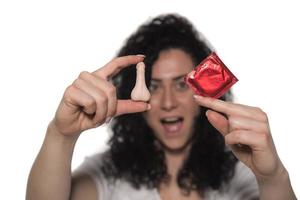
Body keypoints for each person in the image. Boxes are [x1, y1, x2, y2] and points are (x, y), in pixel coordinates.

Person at [26, 14, 296, 200]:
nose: (167, 103)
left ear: (204, 90)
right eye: (153, 86)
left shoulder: (243, 177)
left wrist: (273, 177)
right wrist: (60, 136)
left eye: (181, 85)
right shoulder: (106, 174)